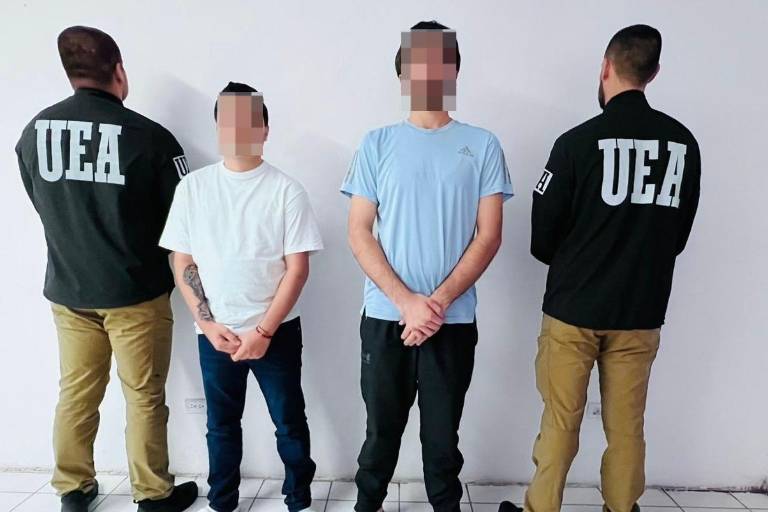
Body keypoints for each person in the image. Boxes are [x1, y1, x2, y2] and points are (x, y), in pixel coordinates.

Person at [500, 24, 701, 512]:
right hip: (640, 311)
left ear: (606, 67)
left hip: (573, 309)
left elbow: (542, 236)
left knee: (560, 422)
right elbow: (678, 235)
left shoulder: (575, 144)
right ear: (653, 73)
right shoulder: (683, 146)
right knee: (627, 427)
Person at [15, 25, 198, 512]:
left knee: (76, 393)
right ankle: (152, 494)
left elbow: (42, 202)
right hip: (135, 292)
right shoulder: (151, 138)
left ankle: (73, 490)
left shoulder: (34, 132)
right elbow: (185, 219)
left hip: (69, 290)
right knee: (143, 396)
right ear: (119, 71)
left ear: (70, 72)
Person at [341, 20, 514, 512]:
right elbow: (359, 232)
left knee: (442, 441)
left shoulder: (482, 144)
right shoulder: (376, 143)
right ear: (403, 74)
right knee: (380, 435)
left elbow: (489, 235)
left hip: (451, 321)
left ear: (454, 70)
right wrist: (406, 303)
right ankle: (366, 505)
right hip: (385, 318)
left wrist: (432, 305)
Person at [159, 82, 324, 512]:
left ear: (265, 129)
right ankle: (223, 500)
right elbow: (183, 261)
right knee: (221, 425)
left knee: (289, 421)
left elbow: (298, 269)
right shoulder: (193, 189)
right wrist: (208, 323)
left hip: (277, 332)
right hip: (215, 334)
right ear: (217, 129)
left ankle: (298, 498)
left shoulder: (287, 191)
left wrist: (264, 332)